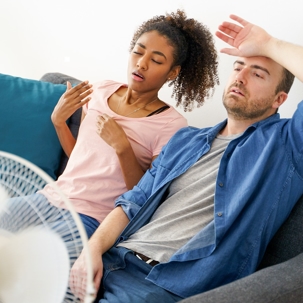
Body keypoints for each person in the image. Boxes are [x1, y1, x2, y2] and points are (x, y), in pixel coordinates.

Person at [69, 14, 303, 303]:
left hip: (162, 285)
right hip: (113, 261)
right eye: (238, 67)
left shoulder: (287, 145)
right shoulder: (185, 140)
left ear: (279, 99)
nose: (240, 77)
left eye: (257, 74)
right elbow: (133, 203)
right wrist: (91, 251)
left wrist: (268, 44)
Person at [1, 9, 219, 239]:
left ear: (172, 72)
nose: (142, 64)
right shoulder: (101, 90)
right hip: (50, 197)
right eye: (138, 52)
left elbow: (145, 197)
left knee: (38, 262)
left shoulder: (172, 125)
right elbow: (80, 158)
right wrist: (59, 122)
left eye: (156, 60)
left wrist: (122, 147)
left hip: (92, 218)